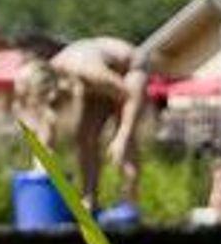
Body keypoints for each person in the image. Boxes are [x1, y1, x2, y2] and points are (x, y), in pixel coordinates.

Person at [10, 36, 151, 207]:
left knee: (124, 141)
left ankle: (129, 203)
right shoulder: (51, 75)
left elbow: (128, 96)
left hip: (130, 69)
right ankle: (90, 200)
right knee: (85, 138)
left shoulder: (89, 72)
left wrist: (122, 136)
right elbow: (46, 126)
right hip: (98, 79)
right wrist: (41, 165)